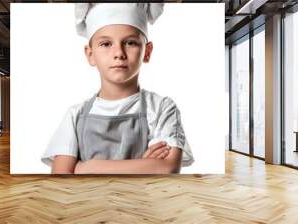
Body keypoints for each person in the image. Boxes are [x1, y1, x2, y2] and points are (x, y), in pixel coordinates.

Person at [41, 3, 194, 174]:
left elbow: (168, 167)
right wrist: (144, 165)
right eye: (106, 44)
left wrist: (88, 167)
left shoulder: (162, 108)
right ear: (90, 55)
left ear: (147, 52)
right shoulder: (75, 115)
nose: (118, 53)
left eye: (130, 42)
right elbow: (61, 176)